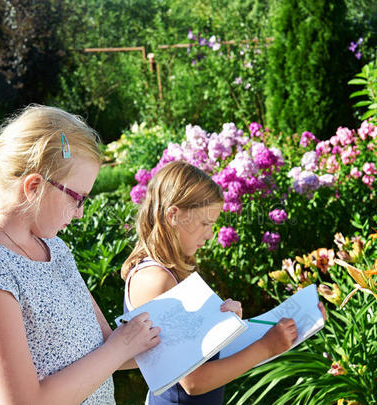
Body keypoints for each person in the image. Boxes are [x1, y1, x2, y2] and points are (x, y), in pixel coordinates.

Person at [0, 105, 160, 405]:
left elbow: (106, 346)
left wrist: (202, 330)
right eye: (77, 199)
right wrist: (120, 348)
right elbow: (24, 401)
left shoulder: (54, 250)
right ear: (34, 186)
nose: (80, 213)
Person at [121, 160, 326, 404]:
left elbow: (195, 351)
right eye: (205, 224)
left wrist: (223, 327)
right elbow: (193, 382)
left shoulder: (172, 270)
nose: (210, 234)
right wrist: (266, 347)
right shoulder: (156, 279)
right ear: (173, 215)